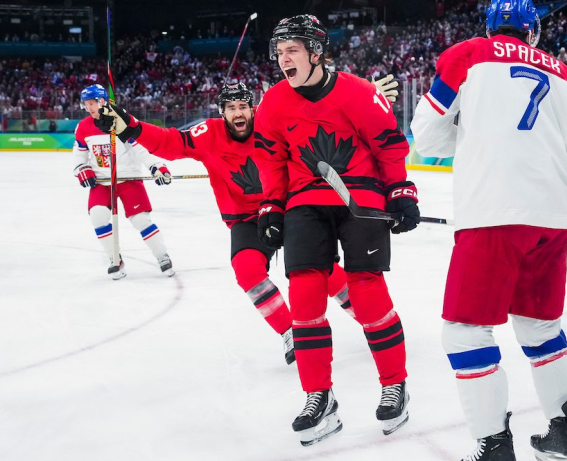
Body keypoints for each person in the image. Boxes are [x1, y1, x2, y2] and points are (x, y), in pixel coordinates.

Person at [410, 0, 567, 460]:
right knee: (541, 327)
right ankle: (566, 434)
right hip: (552, 221)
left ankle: (493, 447)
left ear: (490, 27)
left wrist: (468, 128)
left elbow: (425, 137)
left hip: (491, 214)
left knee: (466, 332)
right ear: (534, 32)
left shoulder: (467, 55)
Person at [94, 82, 360, 364]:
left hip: (287, 208)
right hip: (245, 219)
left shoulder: (272, 123)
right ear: (222, 113)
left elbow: (315, 124)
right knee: (247, 271)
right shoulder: (208, 133)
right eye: (231, 108)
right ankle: (290, 331)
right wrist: (131, 127)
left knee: (322, 271)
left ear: (253, 109)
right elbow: (170, 142)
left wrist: (352, 101)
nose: (238, 113)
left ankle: (367, 315)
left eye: (243, 106)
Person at [254, 14, 419, 446]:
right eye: (279, 52)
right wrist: (271, 206)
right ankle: (318, 397)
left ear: (316, 51)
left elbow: (389, 143)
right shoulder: (272, 102)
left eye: (291, 50)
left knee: (366, 289)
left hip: (359, 196)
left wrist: (401, 192)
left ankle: (394, 384)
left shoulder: (358, 93)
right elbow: (271, 158)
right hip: (305, 199)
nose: (282, 59)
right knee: (305, 293)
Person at [73, 83, 174, 280]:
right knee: (98, 216)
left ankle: (162, 256)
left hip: (128, 178)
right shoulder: (83, 127)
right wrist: (82, 170)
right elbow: (79, 155)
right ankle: (114, 259)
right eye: (86, 104)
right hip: (101, 181)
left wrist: (156, 167)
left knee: (140, 220)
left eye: (92, 103)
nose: (89, 108)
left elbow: (140, 147)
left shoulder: (120, 120)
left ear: (103, 101)